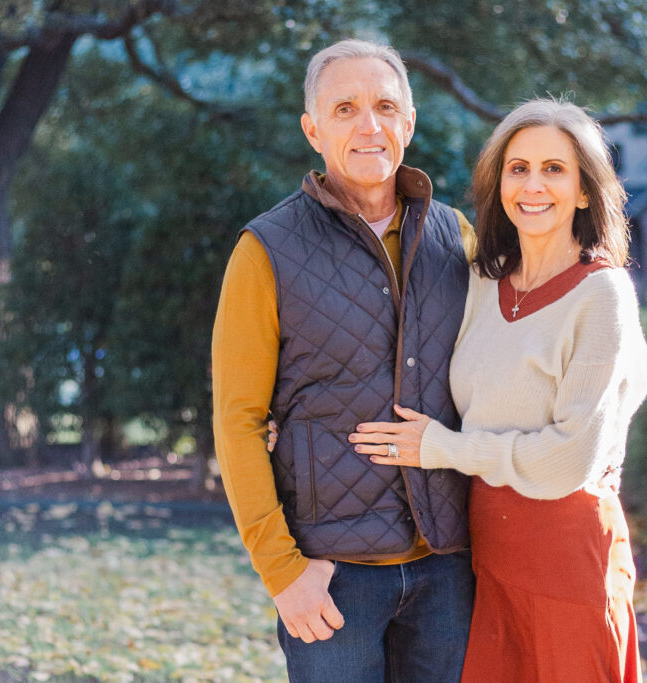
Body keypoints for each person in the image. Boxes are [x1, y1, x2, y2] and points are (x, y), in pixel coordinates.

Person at [349, 98, 647, 682]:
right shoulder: (480, 284)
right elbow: (404, 361)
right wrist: (296, 414)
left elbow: (569, 459)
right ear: (499, 184)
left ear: (586, 192)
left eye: (554, 169)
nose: (533, 185)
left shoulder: (602, 295)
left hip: (568, 556)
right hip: (484, 554)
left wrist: (443, 448)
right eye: (518, 168)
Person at [211, 39, 476, 682]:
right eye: (346, 108)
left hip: (451, 570)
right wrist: (284, 574)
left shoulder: (457, 238)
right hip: (331, 580)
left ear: (409, 123)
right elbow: (238, 421)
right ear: (313, 129)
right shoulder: (264, 250)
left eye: (386, 106)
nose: (369, 125)